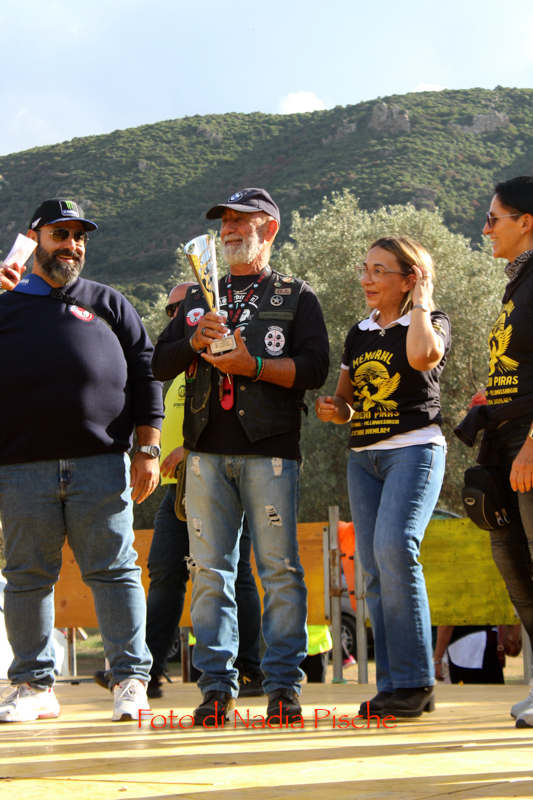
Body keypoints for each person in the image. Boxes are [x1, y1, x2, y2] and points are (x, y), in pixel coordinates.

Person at [152, 187, 329, 725]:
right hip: (204, 455)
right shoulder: (198, 296)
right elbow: (158, 363)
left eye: (240, 220)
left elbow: (316, 369)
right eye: (224, 221)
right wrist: (194, 343)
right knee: (210, 574)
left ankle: (283, 688)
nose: (228, 229)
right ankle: (215, 690)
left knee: (279, 570)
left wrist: (252, 367)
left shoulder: (297, 295)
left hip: (270, 453)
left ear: (269, 229)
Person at [0, 198, 164, 723]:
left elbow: (147, 373)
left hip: (102, 463)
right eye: (60, 234)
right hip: (20, 466)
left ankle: (131, 682)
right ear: (33, 240)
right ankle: (33, 686)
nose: (72, 245)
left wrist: (148, 448)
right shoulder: (4, 301)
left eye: (80, 237)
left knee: (115, 572)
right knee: (26, 576)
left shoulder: (109, 302)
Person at [316, 236, 451, 719]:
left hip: (414, 452)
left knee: (395, 550)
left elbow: (421, 358)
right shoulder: (359, 332)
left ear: (409, 278)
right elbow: (347, 403)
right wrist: (334, 410)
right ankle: (394, 686)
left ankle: (415, 682)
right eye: (365, 269)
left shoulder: (432, 322)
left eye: (379, 271)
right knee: (372, 569)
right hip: (364, 459)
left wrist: (422, 302)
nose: (366, 279)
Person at [138, 283, 264, 699]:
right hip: (178, 489)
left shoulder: (217, 353)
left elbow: (230, 412)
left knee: (236, 573)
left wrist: (191, 448)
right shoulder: (175, 364)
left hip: (222, 478)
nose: (177, 314)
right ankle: (148, 672)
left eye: (183, 307)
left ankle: (250, 671)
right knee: (165, 573)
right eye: (172, 309)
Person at [455, 176, 533, 728]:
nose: (485, 229)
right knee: (514, 569)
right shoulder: (517, 284)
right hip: (503, 443)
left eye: (493, 218)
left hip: (528, 444)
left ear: (526, 221)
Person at [434, 626, 504, 685]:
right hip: (491, 643)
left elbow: (446, 625)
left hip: (466, 649)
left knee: (465, 695)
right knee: (492, 694)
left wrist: (438, 659)